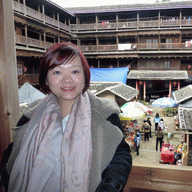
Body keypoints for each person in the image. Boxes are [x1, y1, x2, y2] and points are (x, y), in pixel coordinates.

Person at [0, 42, 132, 192]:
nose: (67, 79)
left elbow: (121, 155)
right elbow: (12, 153)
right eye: (57, 72)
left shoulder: (105, 114)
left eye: (75, 71)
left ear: (84, 76)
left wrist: (109, 186)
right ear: (46, 80)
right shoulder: (31, 116)